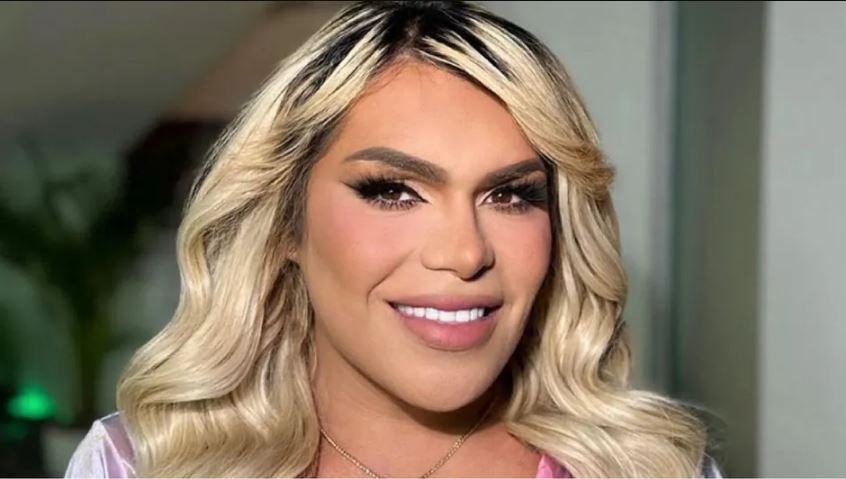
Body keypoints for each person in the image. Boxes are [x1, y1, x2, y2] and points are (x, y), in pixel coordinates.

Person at [65, 1, 722, 477]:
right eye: (393, 191)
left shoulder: (651, 468)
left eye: (511, 194)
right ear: (286, 221)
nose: (465, 253)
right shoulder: (139, 466)